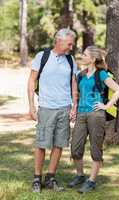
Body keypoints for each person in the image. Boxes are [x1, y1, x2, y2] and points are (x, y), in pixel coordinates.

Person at [27, 28, 78, 192]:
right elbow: (31, 81)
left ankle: (50, 177)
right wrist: (31, 105)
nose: (71, 47)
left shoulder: (70, 60)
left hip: (64, 108)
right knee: (41, 144)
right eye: (69, 44)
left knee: (59, 144)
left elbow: (74, 83)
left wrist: (74, 105)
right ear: (59, 40)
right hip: (46, 108)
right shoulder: (42, 57)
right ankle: (37, 178)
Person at [68, 46, 119, 193]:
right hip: (81, 114)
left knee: (95, 148)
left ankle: (91, 181)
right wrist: (74, 109)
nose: (82, 56)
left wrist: (106, 106)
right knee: (75, 148)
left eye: (84, 55)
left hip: (96, 115)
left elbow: (118, 90)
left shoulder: (102, 74)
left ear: (92, 59)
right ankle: (80, 175)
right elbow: (77, 94)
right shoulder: (80, 75)